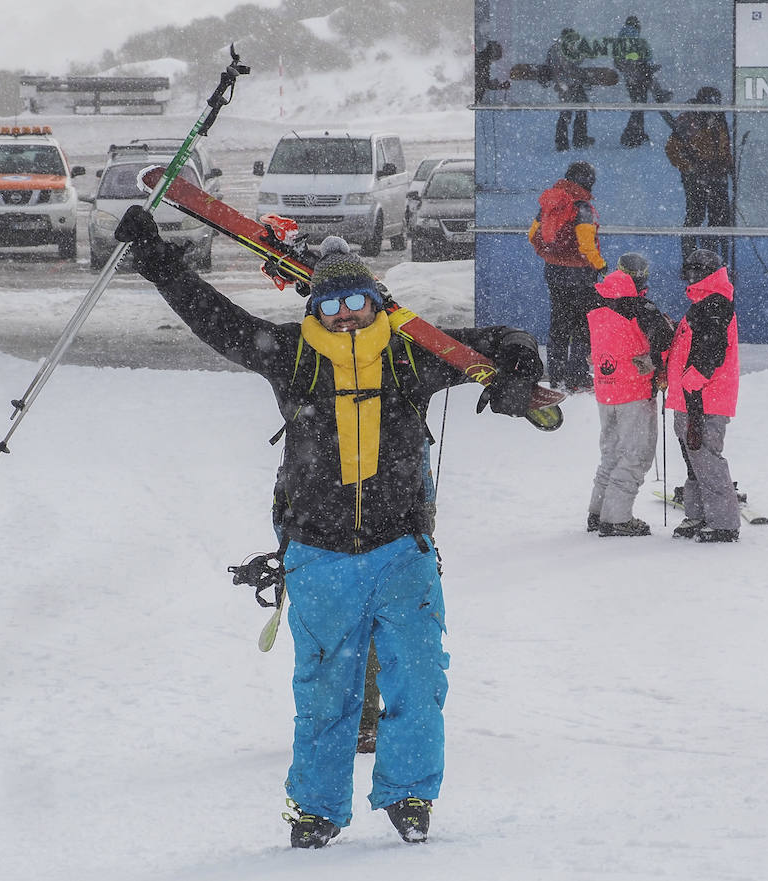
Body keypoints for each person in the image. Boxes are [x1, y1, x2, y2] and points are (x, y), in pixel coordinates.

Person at [114, 207, 544, 848]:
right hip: (319, 560)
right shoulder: (290, 357)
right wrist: (156, 261)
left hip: (403, 554)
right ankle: (315, 808)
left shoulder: (411, 356)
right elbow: (216, 322)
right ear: (315, 309)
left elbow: (506, 339)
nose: (346, 313)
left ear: (376, 303)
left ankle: (411, 797)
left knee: (419, 685)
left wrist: (518, 367)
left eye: (357, 301)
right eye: (332, 303)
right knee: (324, 697)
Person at [585, 253, 675, 537]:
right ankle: (617, 519)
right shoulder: (641, 307)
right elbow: (663, 342)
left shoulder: (597, 300)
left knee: (610, 453)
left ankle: (597, 513)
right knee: (635, 455)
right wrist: (658, 364)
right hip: (635, 390)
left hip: (605, 386)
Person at [664, 249, 740, 543]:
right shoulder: (704, 304)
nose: (691, 278)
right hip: (691, 399)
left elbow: (712, 351)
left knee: (706, 459)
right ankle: (697, 515)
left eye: (696, 272)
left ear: (706, 274)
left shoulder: (716, 304)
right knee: (694, 460)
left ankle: (723, 523)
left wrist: (691, 384)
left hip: (704, 399)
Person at [530, 160, 604, 392]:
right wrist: (601, 266)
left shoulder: (550, 204)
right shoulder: (581, 207)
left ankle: (556, 377)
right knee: (582, 326)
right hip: (581, 276)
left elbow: (533, 235)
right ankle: (578, 377)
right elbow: (586, 245)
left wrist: (551, 256)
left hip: (554, 273)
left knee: (559, 326)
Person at [665, 86, 733, 273]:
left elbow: (725, 145)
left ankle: (711, 261)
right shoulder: (689, 121)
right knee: (695, 217)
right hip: (696, 179)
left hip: (717, 176)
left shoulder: (719, 119)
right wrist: (690, 169)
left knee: (718, 218)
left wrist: (728, 166)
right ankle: (691, 262)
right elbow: (672, 149)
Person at [612, 15, 670, 148]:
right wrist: (645, 66)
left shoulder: (620, 40)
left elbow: (618, 62)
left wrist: (630, 68)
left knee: (638, 107)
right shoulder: (637, 40)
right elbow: (645, 57)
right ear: (636, 25)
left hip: (631, 79)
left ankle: (636, 133)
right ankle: (631, 136)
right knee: (639, 107)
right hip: (641, 76)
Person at [548, 27, 594, 152]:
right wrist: (583, 75)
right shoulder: (561, 49)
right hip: (569, 84)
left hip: (565, 84)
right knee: (573, 111)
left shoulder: (556, 48)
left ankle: (567, 141)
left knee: (569, 112)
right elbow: (569, 67)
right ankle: (575, 140)